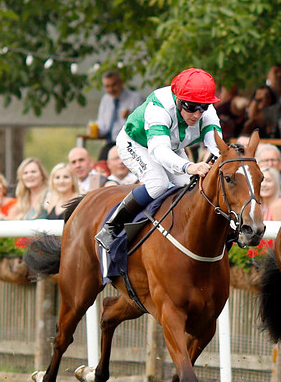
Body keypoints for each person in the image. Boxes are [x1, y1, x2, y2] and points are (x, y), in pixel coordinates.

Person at [95, 68, 223, 251]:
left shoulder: (207, 112)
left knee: (191, 188)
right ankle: (111, 227)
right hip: (137, 143)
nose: (197, 114)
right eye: (191, 107)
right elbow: (159, 151)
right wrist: (189, 166)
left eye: (202, 107)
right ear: (178, 99)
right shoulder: (159, 108)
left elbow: (218, 147)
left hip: (171, 146)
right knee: (158, 183)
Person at [96, 70, 143, 161]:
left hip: (131, 144)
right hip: (111, 142)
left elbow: (143, 125)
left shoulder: (136, 98)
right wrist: (96, 130)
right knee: (100, 165)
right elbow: (103, 127)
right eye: (107, 86)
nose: (111, 89)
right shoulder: (105, 99)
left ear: (121, 83)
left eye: (114, 85)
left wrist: (130, 117)